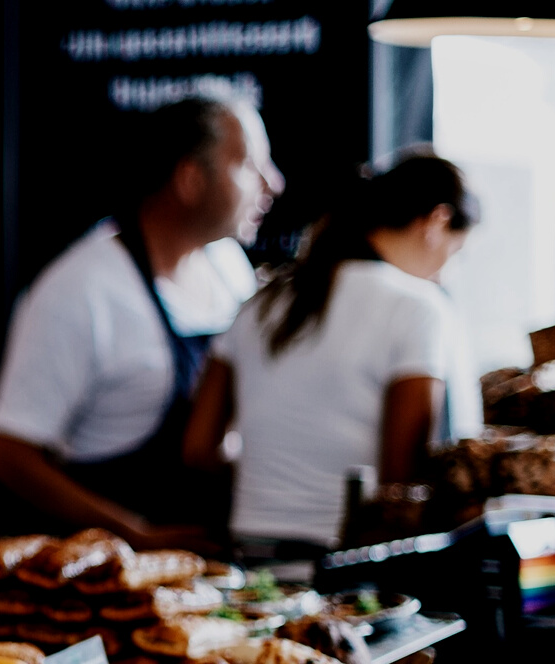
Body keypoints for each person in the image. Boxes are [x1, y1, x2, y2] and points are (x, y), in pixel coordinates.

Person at [0, 96, 284, 549]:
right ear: (190, 179)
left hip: (210, 564)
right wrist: (134, 537)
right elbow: (11, 458)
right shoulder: (80, 290)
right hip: (102, 578)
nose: (273, 183)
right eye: (249, 164)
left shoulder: (228, 266)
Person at [183, 151, 483, 554]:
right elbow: (400, 481)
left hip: (249, 559)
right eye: (457, 252)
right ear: (437, 222)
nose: (448, 270)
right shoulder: (419, 308)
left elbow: (199, 449)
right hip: (347, 566)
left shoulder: (261, 302)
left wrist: (277, 478)